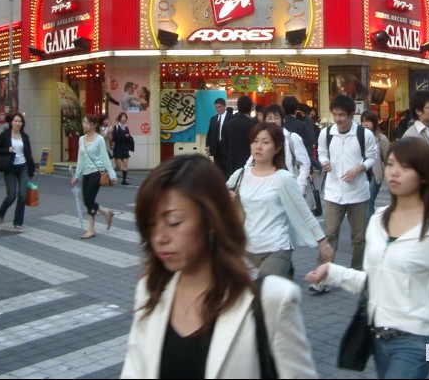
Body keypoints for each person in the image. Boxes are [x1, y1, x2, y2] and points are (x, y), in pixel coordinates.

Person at [305, 139, 429, 379]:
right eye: (390, 164)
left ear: (423, 175)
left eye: (405, 167)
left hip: (416, 341)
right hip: (378, 338)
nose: (394, 172)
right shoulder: (378, 221)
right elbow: (378, 282)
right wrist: (333, 273)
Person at [121, 154, 319, 379]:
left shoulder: (272, 300)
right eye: (151, 224)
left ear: (211, 219)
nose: (159, 237)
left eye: (174, 222)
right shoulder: (150, 290)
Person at [228, 122, 333, 279]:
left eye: (265, 142)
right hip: (247, 249)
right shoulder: (241, 174)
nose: (258, 147)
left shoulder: (283, 178)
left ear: (277, 148)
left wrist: (323, 244)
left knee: (265, 294)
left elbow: (304, 212)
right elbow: (218, 194)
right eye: (255, 141)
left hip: (277, 248)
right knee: (250, 299)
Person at [311, 95, 378, 293]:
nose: (338, 119)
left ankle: (357, 274)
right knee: (330, 235)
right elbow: (322, 153)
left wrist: (359, 168)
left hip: (358, 193)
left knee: (359, 239)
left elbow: (372, 157)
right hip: (333, 193)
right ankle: (321, 277)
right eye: (335, 115)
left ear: (351, 115)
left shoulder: (363, 134)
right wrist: (324, 162)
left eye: (342, 115)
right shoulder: (326, 133)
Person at [72, 114, 117, 239]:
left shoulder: (99, 139)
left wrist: (112, 175)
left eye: (86, 122)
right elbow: (80, 159)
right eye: (83, 122)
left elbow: (105, 158)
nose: (84, 124)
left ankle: (91, 229)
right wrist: (77, 175)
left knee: (89, 200)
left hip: (96, 173)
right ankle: (106, 212)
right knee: (87, 200)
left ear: (93, 125)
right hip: (85, 173)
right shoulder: (81, 139)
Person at [0, 112, 36, 230]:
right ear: (11, 122)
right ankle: (1, 212)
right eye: (16, 121)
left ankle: (18, 221)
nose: (18, 124)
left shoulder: (25, 136)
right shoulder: (5, 135)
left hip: (23, 167)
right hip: (10, 168)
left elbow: (29, 154)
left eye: (20, 122)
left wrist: (31, 172)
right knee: (11, 196)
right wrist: (7, 149)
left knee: (22, 195)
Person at [361, 110, 389, 219]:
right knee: (361, 204)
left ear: (374, 122)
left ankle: (368, 230)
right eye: (363, 121)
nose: (365, 124)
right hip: (360, 174)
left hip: (374, 174)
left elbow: (387, 158)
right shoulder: (357, 137)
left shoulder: (381, 139)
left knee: (369, 202)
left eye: (368, 121)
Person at [222, 95, 257, 177]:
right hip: (249, 163)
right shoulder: (254, 125)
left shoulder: (228, 125)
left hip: (232, 163)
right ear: (251, 107)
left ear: (238, 107)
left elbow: (224, 146)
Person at [205, 98, 230, 175]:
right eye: (216, 107)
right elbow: (210, 133)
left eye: (219, 107)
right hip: (216, 147)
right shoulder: (213, 119)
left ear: (224, 106)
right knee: (217, 167)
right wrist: (207, 145)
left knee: (226, 167)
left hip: (227, 147)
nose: (217, 109)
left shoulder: (231, 118)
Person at [112, 112, 133, 185]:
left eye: (125, 117)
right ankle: (111, 173)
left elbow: (128, 137)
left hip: (124, 148)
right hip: (118, 148)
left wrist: (128, 137)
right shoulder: (116, 127)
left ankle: (124, 180)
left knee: (125, 164)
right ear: (119, 118)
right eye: (122, 117)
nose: (124, 118)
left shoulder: (126, 127)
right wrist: (124, 136)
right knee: (118, 166)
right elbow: (115, 137)